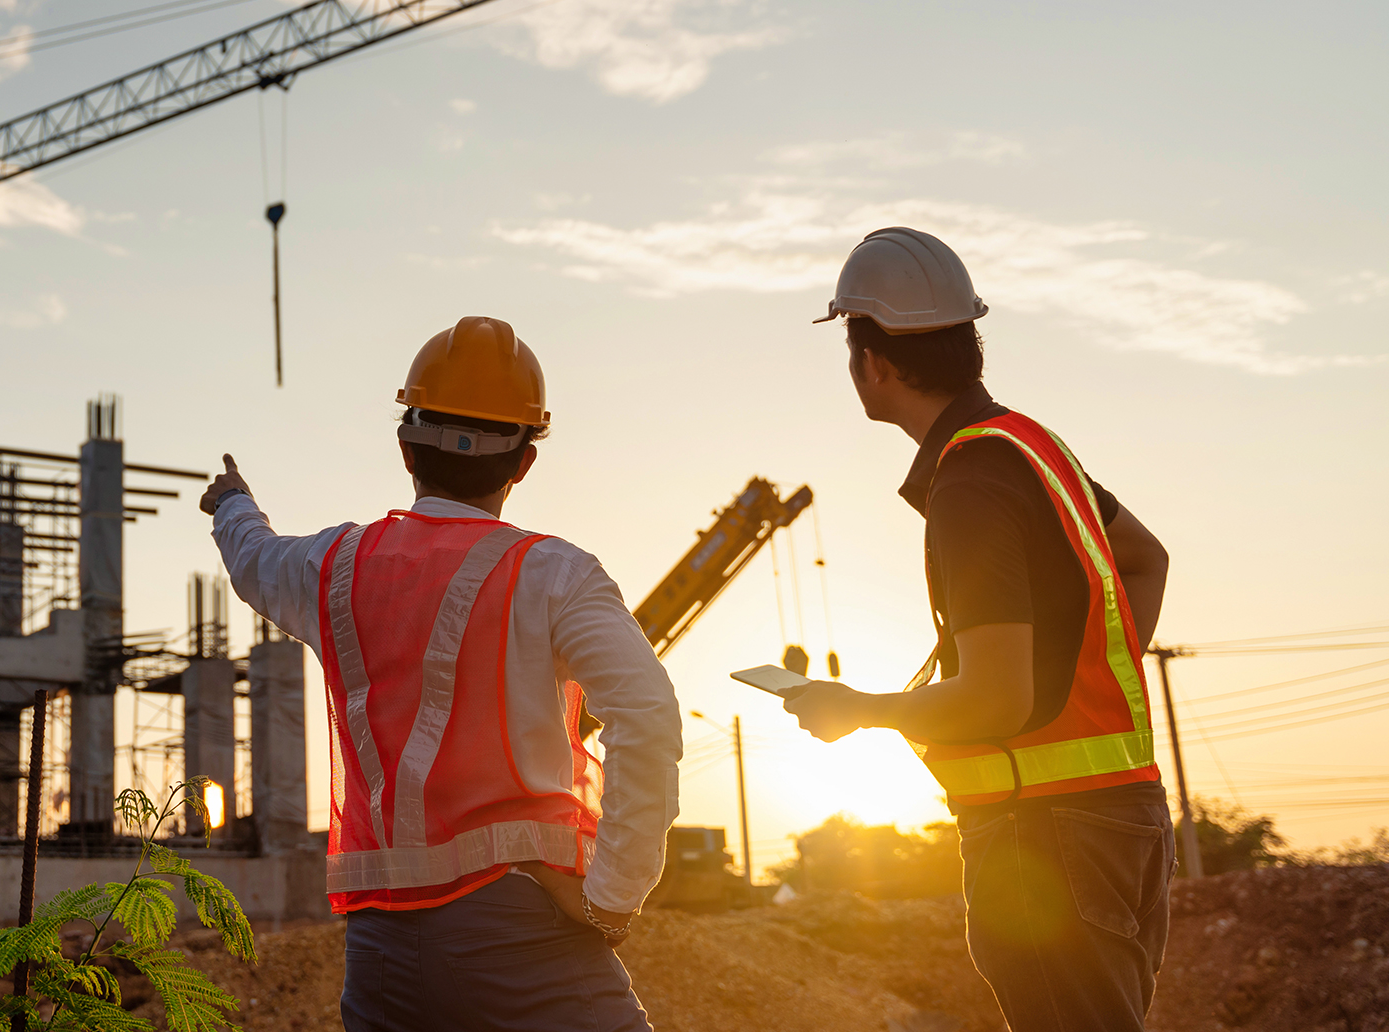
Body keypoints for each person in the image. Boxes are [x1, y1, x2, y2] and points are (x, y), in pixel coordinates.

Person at [199, 316, 682, 1032]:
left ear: (405, 449)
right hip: (525, 937)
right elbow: (647, 717)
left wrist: (233, 503)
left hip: (382, 950)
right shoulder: (554, 575)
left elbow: (253, 561)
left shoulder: (333, 570)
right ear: (523, 464)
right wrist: (613, 897)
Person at [782, 228, 1177, 1031]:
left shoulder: (970, 480)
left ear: (873, 365)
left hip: (1047, 839)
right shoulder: (1032, 447)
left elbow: (997, 698)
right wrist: (1078, 676)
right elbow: (1146, 559)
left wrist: (859, 710)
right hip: (1122, 819)